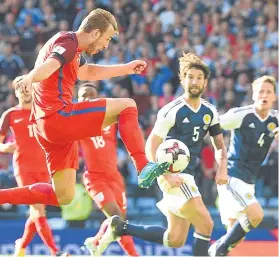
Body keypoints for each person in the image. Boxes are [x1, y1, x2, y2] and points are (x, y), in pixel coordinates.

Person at [0, 9, 168, 209]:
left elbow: (88, 72)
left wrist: (126, 68)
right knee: (128, 106)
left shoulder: (73, 49)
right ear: (95, 33)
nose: (105, 46)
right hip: (57, 117)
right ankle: (143, 166)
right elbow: (50, 65)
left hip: (47, 128)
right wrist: (30, 77)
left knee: (63, 195)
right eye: (106, 40)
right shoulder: (68, 43)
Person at [97, 53, 228, 256]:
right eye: (190, 77)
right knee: (206, 223)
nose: (194, 81)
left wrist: (222, 169)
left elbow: (219, 145)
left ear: (205, 82)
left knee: (174, 239)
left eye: (199, 78)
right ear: (183, 79)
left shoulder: (210, 111)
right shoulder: (171, 110)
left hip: (189, 176)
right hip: (172, 175)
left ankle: (120, 228)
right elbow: (152, 145)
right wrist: (164, 174)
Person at [208, 75, 278, 256]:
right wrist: (220, 159)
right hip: (232, 176)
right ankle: (218, 247)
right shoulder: (241, 115)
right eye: (260, 91)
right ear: (253, 95)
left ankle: (219, 249)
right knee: (256, 215)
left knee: (237, 237)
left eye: (268, 92)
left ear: (274, 97)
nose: (264, 95)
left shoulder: (275, 120)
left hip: (249, 182)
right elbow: (212, 126)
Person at [76, 83, 139, 256]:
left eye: (91, 95)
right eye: (83, 96)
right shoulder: (75, 122)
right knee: (116, 218)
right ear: (78, 100)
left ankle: (96, 242)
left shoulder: (110, 119)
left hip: (115, 177)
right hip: (95, 179)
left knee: (121, 223)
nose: (88, 98)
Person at [0, 83, 58, 256]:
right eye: (21, 89)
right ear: (16, 92)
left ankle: (21, 245)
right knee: (38, 209)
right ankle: (55, 251)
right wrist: (5, 148)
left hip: (44, 167)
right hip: (24, 168)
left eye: (28, 88)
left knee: (36, 211)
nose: (25, 92)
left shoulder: (42, 110)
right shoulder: (10, 114)